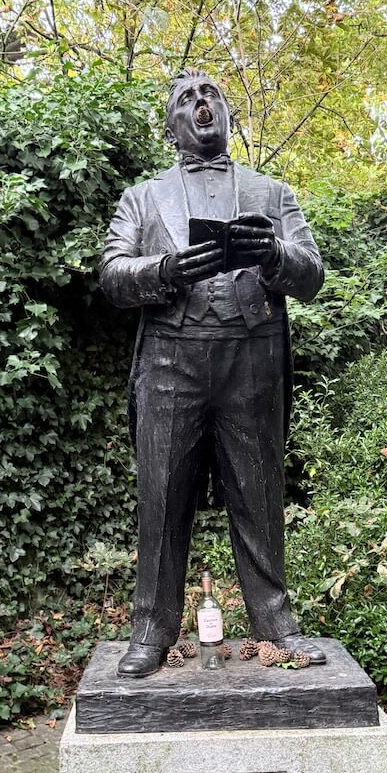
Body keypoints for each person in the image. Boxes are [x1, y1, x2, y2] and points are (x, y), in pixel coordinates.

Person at [100, 67, 325, 678]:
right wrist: (167, 268)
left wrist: (275, 255)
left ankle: (278, 624)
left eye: (212, 96)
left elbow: (312, 275)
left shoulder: (271, 193)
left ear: (227, 115)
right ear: (173, 125)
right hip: (170, 359)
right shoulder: (143, 199)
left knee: (259, 496)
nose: (202, 105)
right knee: (162, 497)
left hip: (249, 359)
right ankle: (150, 628)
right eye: (187, 100)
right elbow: (113, 275)